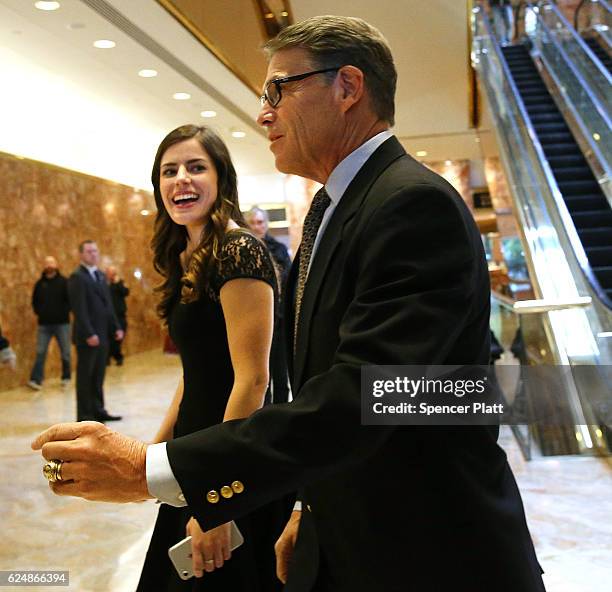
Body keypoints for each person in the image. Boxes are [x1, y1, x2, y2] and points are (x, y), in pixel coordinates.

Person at [33, 16, 547, 592]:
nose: (263, 113)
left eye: (278, 89)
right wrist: (307, 506)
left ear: (348, 87)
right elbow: (321, 385)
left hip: (423, 549)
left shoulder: (411, 204)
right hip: (350, 526)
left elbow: (371, 394)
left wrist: (148, 467)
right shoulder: (338, 210)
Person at [133, 124, 285, 590]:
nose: (182, 178)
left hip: (231, 455)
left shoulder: (239, 251)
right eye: (169, 170)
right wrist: (153, 457)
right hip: (196, 450)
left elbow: (252, 381)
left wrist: (218, 499)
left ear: (221, 179)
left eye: (197, 167)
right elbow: (195, 372)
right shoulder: (189, 254)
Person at [68, 241, 124, 422]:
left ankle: (98, 410)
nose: (93, 254)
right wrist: (88, 333)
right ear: (81, 255)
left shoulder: (100, 275)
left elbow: (108, 304)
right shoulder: (77, 277)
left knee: (99, 375)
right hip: (88, 337)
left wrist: (116, 326)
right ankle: (85, 415)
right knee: (86, 377)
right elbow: (79, 309)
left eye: (95, 251)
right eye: (89, 251)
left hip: (103, 335)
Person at [245, 207, 291, 403]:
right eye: (254, 223)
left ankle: (281, 417)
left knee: (281, 375)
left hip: (279, 320)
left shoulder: (279, 249)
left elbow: (289, 282)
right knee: (261, 377)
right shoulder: (243, 250)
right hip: (253, 322)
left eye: (261, 222)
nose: (258, 227)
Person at [28, 256, 71, 390]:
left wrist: (63, 312)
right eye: (47, 263)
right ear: (44, 266)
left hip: (62, 324)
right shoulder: (39, 284)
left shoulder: (64, 282)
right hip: (44, 325)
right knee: (40, 351)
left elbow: (71, 300)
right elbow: (34, 302)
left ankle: (66, 377)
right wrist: (39, 312)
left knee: (65, 352)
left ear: (56, 264)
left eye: (51, 262)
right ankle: (36, 380)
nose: (49, 265)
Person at [105, 266, 129, 366]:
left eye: (114, 272)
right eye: (110, 273)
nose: (112, 275)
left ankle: (117, 356)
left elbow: (126, 292)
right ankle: (110, 357)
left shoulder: (120, 282)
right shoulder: (104, 284)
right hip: (108, 316)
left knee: (119, 338)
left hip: (120, 315)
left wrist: (118, 283)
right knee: (109, 338)